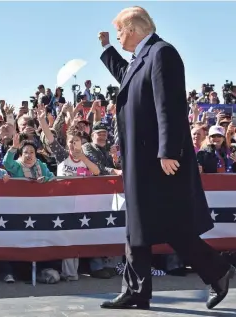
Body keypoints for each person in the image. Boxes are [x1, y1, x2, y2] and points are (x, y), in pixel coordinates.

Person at [98, 6, 234, 310]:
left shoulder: (162, 53)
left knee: (170, 225)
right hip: (139, 158)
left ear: (132, 29)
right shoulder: (141, 59)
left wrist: (168, 151)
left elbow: (169, 105)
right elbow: (126, 76)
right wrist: (107, 48)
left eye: (119, 32)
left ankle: (218, 270)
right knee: (137, 225)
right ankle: (136, 290)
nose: (119, 36)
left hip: (158, 159)